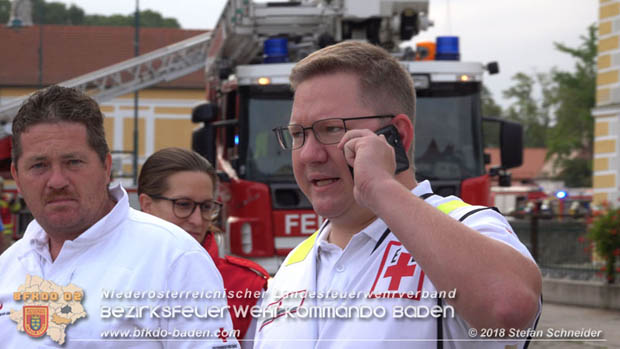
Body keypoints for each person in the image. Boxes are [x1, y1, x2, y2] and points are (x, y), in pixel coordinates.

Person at [255, 41, 542, 348]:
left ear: (397, 137)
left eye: (330, 129)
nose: (309, 154)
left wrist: (379, 187)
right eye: (298, 134)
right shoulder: (293, 265)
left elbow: (509, 309)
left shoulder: (466, 224)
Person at [0, 86, 239, 348]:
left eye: (73, 162)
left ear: (106, 166)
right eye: (39, 165)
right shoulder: (9, 266)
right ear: (16, 176)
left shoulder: (174, 258)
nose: (57, 181)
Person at [138, 147, 269, 344]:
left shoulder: (247, 286)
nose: (198, 220)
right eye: (183, 205)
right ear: (147, 205)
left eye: (206, 207)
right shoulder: (107, 270)